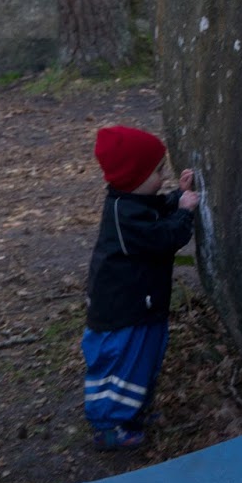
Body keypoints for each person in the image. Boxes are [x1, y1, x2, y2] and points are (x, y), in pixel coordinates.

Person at [82, 125, 199, 450]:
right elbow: (162, 238)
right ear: (135, 176)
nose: (163, 177)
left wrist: (177, 196)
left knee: (143, 360)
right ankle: (108, 425)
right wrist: (185, 213)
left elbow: (157, 208)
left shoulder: (131, 202)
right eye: (158, 171)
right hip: (122, 311)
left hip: (141, 305)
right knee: (120, 365)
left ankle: (131, 412)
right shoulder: (123, 215)